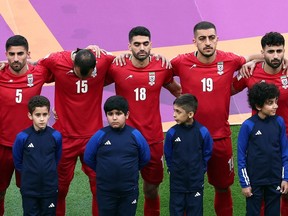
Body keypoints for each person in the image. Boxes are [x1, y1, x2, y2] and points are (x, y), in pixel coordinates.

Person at [169, 21, 265, 216]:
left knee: (223, 187)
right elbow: (159, 72)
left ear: (217, 39)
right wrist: (178, 93)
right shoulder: (181, 62)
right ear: (194, 41)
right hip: (190, 139)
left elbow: (251, 57)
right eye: (202, 39)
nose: (207, 43)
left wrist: (254, 61)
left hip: (220, 137)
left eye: (211, 38)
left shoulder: (229, 60)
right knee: (188, 189)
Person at [105, 26, 181, 216]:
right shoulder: (116, 66)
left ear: (151, 45)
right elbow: (91, 81)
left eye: (145, 44)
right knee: (122, 189)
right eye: (137, 44)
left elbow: (178, 91)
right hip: (123, 140)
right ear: (129, 45)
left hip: (153, 139)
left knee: (151, 189)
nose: (141, 48)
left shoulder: (162, 66)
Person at [37, 48, 115, 216]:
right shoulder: (56, 60)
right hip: (64, 138)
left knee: (100, 186)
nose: (83, 79)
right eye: (79, 74)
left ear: (95, 67)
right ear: (73, 65)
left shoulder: (103, 59)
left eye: (88, 76)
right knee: (58, 188)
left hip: (93, 138)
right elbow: (35, 68)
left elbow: (125, 62)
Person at [232, 31, 288, 215]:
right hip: (261, 143)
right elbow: (227, 88)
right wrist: (249, 60)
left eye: (279, 51)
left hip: (285, 141)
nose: (276, 56)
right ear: (262, 52)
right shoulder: (250, 72)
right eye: (270, 51)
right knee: (261, 192)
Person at [0, 35, 53, 216]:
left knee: (30, 194)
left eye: (20, 54)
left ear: (28, 54)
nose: (16, 59)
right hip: (2, 146)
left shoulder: (39, 73)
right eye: (12, 54)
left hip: (30, 147)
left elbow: (68, 69)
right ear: (6, 54)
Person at [84, 95, 150, 216]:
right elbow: (88, 158)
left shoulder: (135, 135)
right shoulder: (100, 135)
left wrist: (131, 168)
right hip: (105, 192)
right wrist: (103, 170)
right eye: (110, 114)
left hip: (129, 192)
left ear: (127, 115)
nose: (114, 117)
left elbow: (145, 158)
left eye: (118, 113)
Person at [237, 82, 288, 215]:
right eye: (270, 103)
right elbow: (241, 156)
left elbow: (285, 153)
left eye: (276, 101)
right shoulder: (248, 126)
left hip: (274, 179)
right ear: (259, 105)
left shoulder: (279, 122)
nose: (275, 106)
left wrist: (285, 178)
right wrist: (245, 183)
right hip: (255, 181)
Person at [164, 94, 213, 216]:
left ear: (190, 114)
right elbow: (168, 154)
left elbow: (207, 152)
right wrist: (171, 169)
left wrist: (201, 169)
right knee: (176, 212)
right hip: (177, 183)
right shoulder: (171, 133)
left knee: (195, 211)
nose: (174, 115)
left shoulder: (202, 132)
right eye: (174, 110)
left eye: (178, 112)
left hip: (195, 181)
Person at [12, 95, 62, 215]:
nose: (41, 119)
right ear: (30, 115)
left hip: (50, 188)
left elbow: (57, 158)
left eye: (44, 115)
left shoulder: (56, 136)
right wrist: (29, 173)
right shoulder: (22, 137)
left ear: (49, 114)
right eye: (37, 115)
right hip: (29, 189)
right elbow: (18, 162)